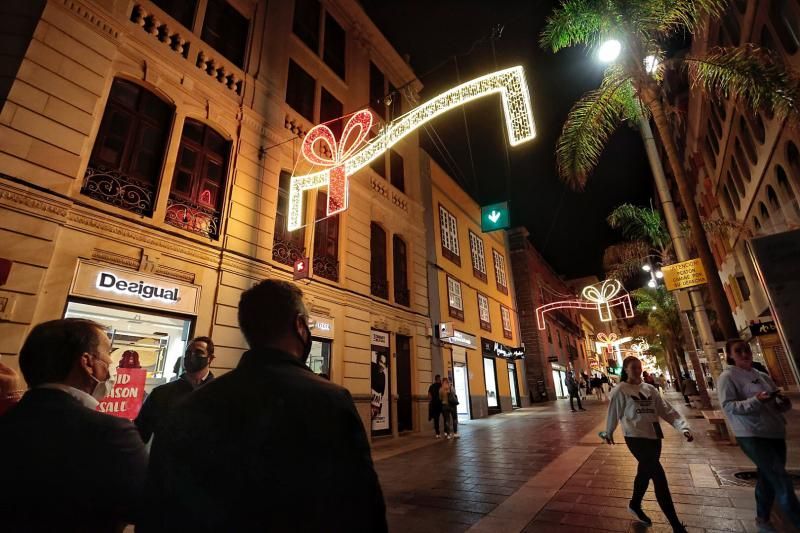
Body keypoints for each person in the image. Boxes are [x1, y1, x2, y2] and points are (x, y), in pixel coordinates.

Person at [141, 279, 386, 532]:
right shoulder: (332, 401)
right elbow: (364, 509)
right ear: (300, 326)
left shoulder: (191, 405)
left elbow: (159, 507)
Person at [0, 318, 148, 532]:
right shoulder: (112, 432)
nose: (110, 366)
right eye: (107, 355)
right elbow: (145, 507)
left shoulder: (9, 417)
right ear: (87, 363)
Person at [603, 355, 692, 533]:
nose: (637, 370)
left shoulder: (649, 389)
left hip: (654, 437)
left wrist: (683, 428)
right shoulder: (621, 390)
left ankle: (635, 505)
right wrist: (608, 431)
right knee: (658, 476)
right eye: (633, 367)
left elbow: (666, 410)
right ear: (625, 370)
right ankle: (676, 525)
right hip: (635, 437)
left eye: (639, 367)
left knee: (644, 473)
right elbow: (613, 412)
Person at [718, 339, 800, 532]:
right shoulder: (727, 377)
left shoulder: (761, 375)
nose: (745, 354)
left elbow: (775, 401)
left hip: (774, 432)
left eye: (746, 350)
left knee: (767, 477)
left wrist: (782, 404)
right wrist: (755, 401)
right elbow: (728, 406)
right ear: (730, 355)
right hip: (751, 433)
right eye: (739, 351)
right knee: (781, 479)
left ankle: (763, 519)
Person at [134, 336, 215, 443]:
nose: (191, 356)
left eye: (198, 352)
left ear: (210, 358)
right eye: (188, 352)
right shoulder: (161, 393)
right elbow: (140, 434)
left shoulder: (220, 394)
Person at [427, 374, 443, 438]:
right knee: (445, 417)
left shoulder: (431, 386)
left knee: (436, 419)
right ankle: (446, 432)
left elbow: (429, 395)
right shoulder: (442, 386)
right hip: (441, 404)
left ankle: (437, 433)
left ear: (435, 379)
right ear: (439, 379)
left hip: (434, 405)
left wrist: (431, 400)